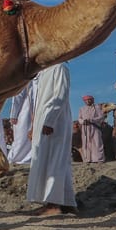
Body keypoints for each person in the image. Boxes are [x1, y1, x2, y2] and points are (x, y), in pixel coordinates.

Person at [26, 63, 77, 215]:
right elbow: (40, 100)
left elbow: (60, 95)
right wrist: (34, 126)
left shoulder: (59, 67)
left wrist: (50, 120)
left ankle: (54, 205)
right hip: (44, 118)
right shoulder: (42, 72)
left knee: (54, 159)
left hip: (55, 121)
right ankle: (67, 203)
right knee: (49, 159)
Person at [8, 81, 35, 164]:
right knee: (21, 136)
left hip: (31, 109)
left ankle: (27, 157)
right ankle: (16, 157)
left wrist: (13, 114)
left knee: (25, 136)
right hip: (26, 109)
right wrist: (14, 114)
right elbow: (18, 96)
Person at [77, 95, 106, 163]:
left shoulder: (97, 108)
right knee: (86, 143)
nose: (88, 101)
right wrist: (83, 121)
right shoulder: (82, 108)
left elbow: (101, 117)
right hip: (85, 128)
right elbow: (79, 118)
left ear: (92, 100)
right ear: (84, 101)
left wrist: (92, 120)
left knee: (97, 142)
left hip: (95, 127)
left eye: (89, 99)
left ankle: (99, 159)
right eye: (86, 100)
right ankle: (87, 159)